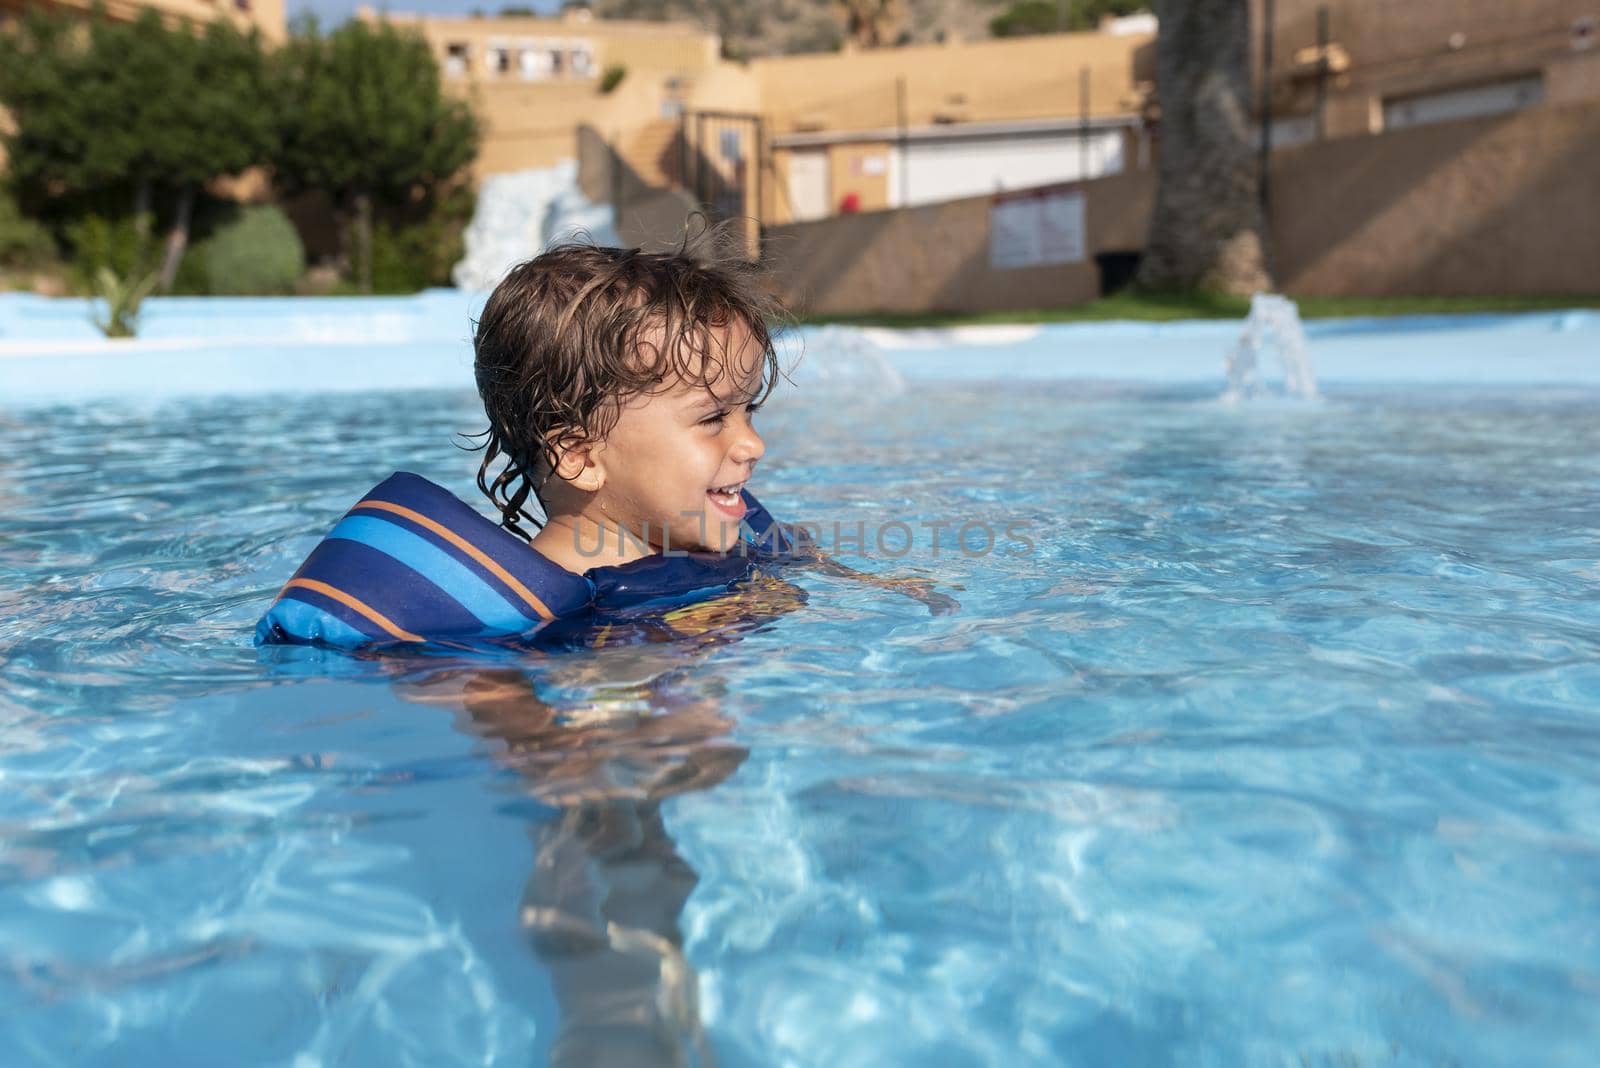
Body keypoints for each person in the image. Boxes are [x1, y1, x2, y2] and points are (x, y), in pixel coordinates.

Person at [470, 239, 957, 614]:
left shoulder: (728, 534)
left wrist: (882, 588)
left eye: (749, 411)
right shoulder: (544, 607)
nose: (753, 444)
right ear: (578, 456)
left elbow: (800, 563)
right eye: (712, 418)